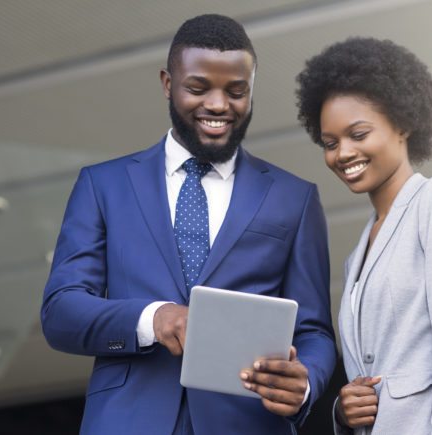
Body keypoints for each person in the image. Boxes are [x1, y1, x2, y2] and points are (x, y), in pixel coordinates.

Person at [41, 14, 336, 435]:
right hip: (127, 422)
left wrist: (305, 382)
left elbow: (314, 331)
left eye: (237, 91)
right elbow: (61, 312)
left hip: (248, 423)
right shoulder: (103, 184)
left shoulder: (295, 198)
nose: (218, 105)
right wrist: (154, 318)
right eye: (198, 88)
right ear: (167, 83)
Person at [295, 38, 432, 434]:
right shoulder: (357, 254)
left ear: (403, 124)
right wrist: (343, 408)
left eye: (358, 133)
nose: (343, 153)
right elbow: (376, 373)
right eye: (330, 143)